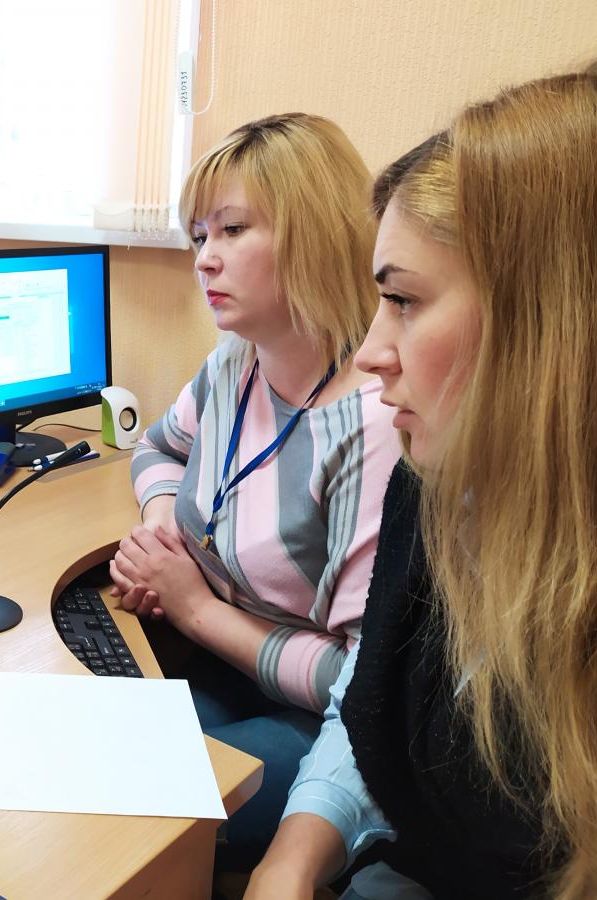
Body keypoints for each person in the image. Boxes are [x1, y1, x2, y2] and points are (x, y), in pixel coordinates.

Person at [247, 66, 597, 900]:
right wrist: (288, 863)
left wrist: (197, 611)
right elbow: (375, 693)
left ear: (549, 322)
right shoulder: (432, 477)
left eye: (403, 299)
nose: (372, 353)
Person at [109, 113, 402, 869]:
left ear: (315, 234)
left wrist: (194, 608)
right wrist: (162, 536)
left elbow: (362, 682)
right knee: (89, 739)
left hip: (319, 722)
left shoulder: (372, 423)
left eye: (233, 230)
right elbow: (157, 449)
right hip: (224, 663)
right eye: (198, 235)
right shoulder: (236, 362)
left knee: (135, 808)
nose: (204, 259)